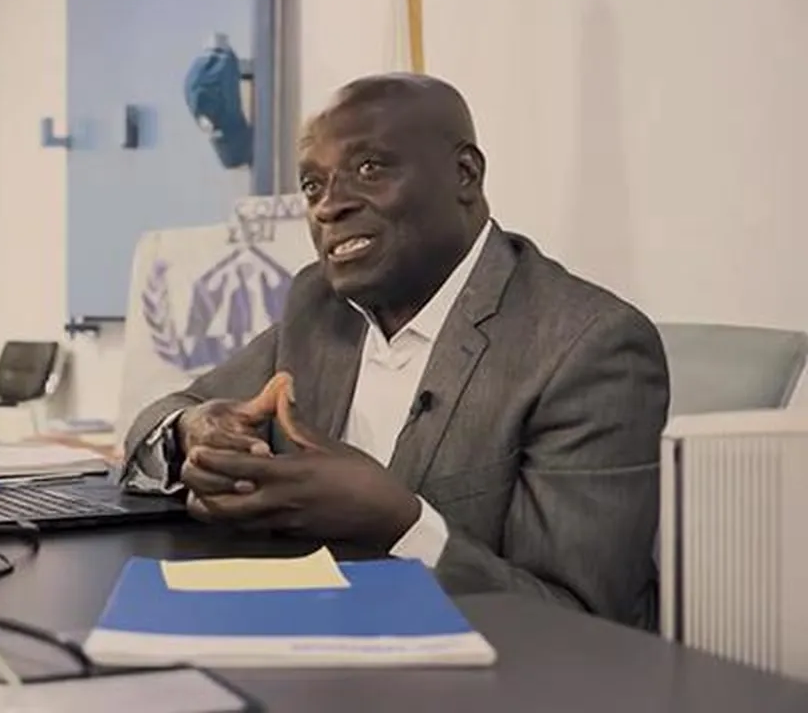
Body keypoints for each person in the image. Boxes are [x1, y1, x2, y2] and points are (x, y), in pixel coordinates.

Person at [119, 73, 669, 628]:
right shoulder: (320, 304)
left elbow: (582, 623)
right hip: (304, 636)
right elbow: (163, 415)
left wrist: (398, 525)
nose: (328, 207)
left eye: (369, 169)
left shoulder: (589, 347)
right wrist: (194, 430)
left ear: (465, 175)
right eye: (312, 185)